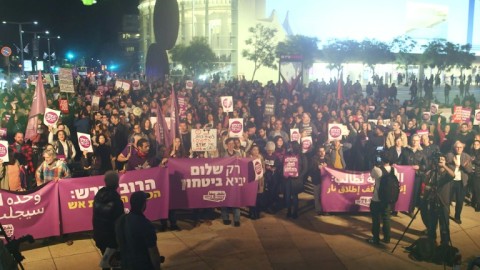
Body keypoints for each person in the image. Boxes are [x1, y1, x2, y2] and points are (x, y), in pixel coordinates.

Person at [116, 191, 162, 270]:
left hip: (125, 264)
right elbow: (153, 252)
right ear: (143, 204)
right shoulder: (146, 225)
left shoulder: (121, 219)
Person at [93, 171, 125, 270]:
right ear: (117, 184)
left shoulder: (99, 195)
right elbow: (119, 223)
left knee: (106, 261)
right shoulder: (116, 201)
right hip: (111, 238)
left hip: (99, 235)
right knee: (116, 263)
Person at [367, 152, 397, 245]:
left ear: (382, 159)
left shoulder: (377, 170)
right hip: (388, 199)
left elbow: (372, 176)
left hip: (377, 199)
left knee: (376, 220)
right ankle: (387, 238)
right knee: (386, 219)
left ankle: (376, 239)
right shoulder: (394, 170)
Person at [425, 155, 454, 247]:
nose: (440, 161)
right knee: (432, 224)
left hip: (443, 202)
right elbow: (427, 183)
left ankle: (444, 244)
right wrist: (427, 185)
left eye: (443, 159)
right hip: (433, 200)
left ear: (445, 161)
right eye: (439, 159)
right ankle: (431, 241)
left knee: (444, 225)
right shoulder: (434, 172)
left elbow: (453, 175)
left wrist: (444, 166)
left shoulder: (447, 172)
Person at [446, 140, 473, 224]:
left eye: (460, 147)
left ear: (463, 148)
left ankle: (457, 217)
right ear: (454, 148)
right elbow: (446, 166)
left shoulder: (467, 157)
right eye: (457, 147)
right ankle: (446, 214)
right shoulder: (449, 155)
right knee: (447, 199)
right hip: (450, 181)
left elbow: (469, 170)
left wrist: (461, 166)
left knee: (460, 200)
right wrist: (454, 164)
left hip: (461, 182)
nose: (458, 149)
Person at [284, 142, 308, 219]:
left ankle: (295, 212)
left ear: (295, 147)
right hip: (288, 178)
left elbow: (305, 168)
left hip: (296, 179)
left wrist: (299, 176)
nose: (289, 147)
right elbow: (283, 165)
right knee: (287, 196)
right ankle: (289, 210)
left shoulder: (302, 156)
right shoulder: (287, 155)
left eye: (291, 146)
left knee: (294, 196)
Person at [221, 138, 242, 226]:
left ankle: (236, 219)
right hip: (225, 180)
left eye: (232, 143)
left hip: (235, 180)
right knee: (224, 198)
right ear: (226, 145)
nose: (231, 145)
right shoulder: (222, 154)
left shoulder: (238, 154)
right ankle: (225, 218)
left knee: (236, 198)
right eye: (229, 143)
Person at [310, 145, 331, 215]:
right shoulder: (313, 159)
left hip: (326, 181)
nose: (322, 153)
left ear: (325, 151)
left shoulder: (328, 159)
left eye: (323, 151)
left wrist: (327, 167)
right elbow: (311, 170)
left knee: (325, 196)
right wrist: (317, 167)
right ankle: (318, 210)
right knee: (317, 195)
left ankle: (326, 209)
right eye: (320, 151)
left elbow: (332, 168)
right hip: (317, 180)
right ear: (317, 152)